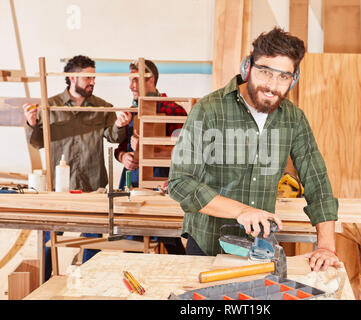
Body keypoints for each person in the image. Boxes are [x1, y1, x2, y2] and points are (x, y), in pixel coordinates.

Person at [168, 27, 342, 271]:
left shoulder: (293, 119)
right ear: (247, 68)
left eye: (283, 77)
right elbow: (180, 182)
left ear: (294, 79)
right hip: (206, 248)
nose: (272, 85)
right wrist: (242, 211)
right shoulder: (208, 110)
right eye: (265, 72)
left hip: (259, 250)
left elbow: (318, 182)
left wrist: (325, 245)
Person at [23, 55, 131, 280]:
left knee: (93, 241)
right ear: (71, 77)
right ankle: (45, 285)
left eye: (93, 76)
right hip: (58, 188)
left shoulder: (102, 107)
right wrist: (31, 123)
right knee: (49, 240)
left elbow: (112, 136)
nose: (92, 81)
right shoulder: (50, 105)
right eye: (87, 77)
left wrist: (120, 124)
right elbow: (37, 142)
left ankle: (91, 285)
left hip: (93, 186)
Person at [114, 59, 186, 254]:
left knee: (169, 238)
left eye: (135, 80)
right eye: (130, 80)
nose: (131, 86)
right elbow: (119, 148)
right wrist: (123, 157)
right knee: (132, 242)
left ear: (150, 80)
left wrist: (149, 149)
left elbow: (184, 150)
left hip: (161, 183)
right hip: (133, 184)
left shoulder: (173, 110)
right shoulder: (131, 110)